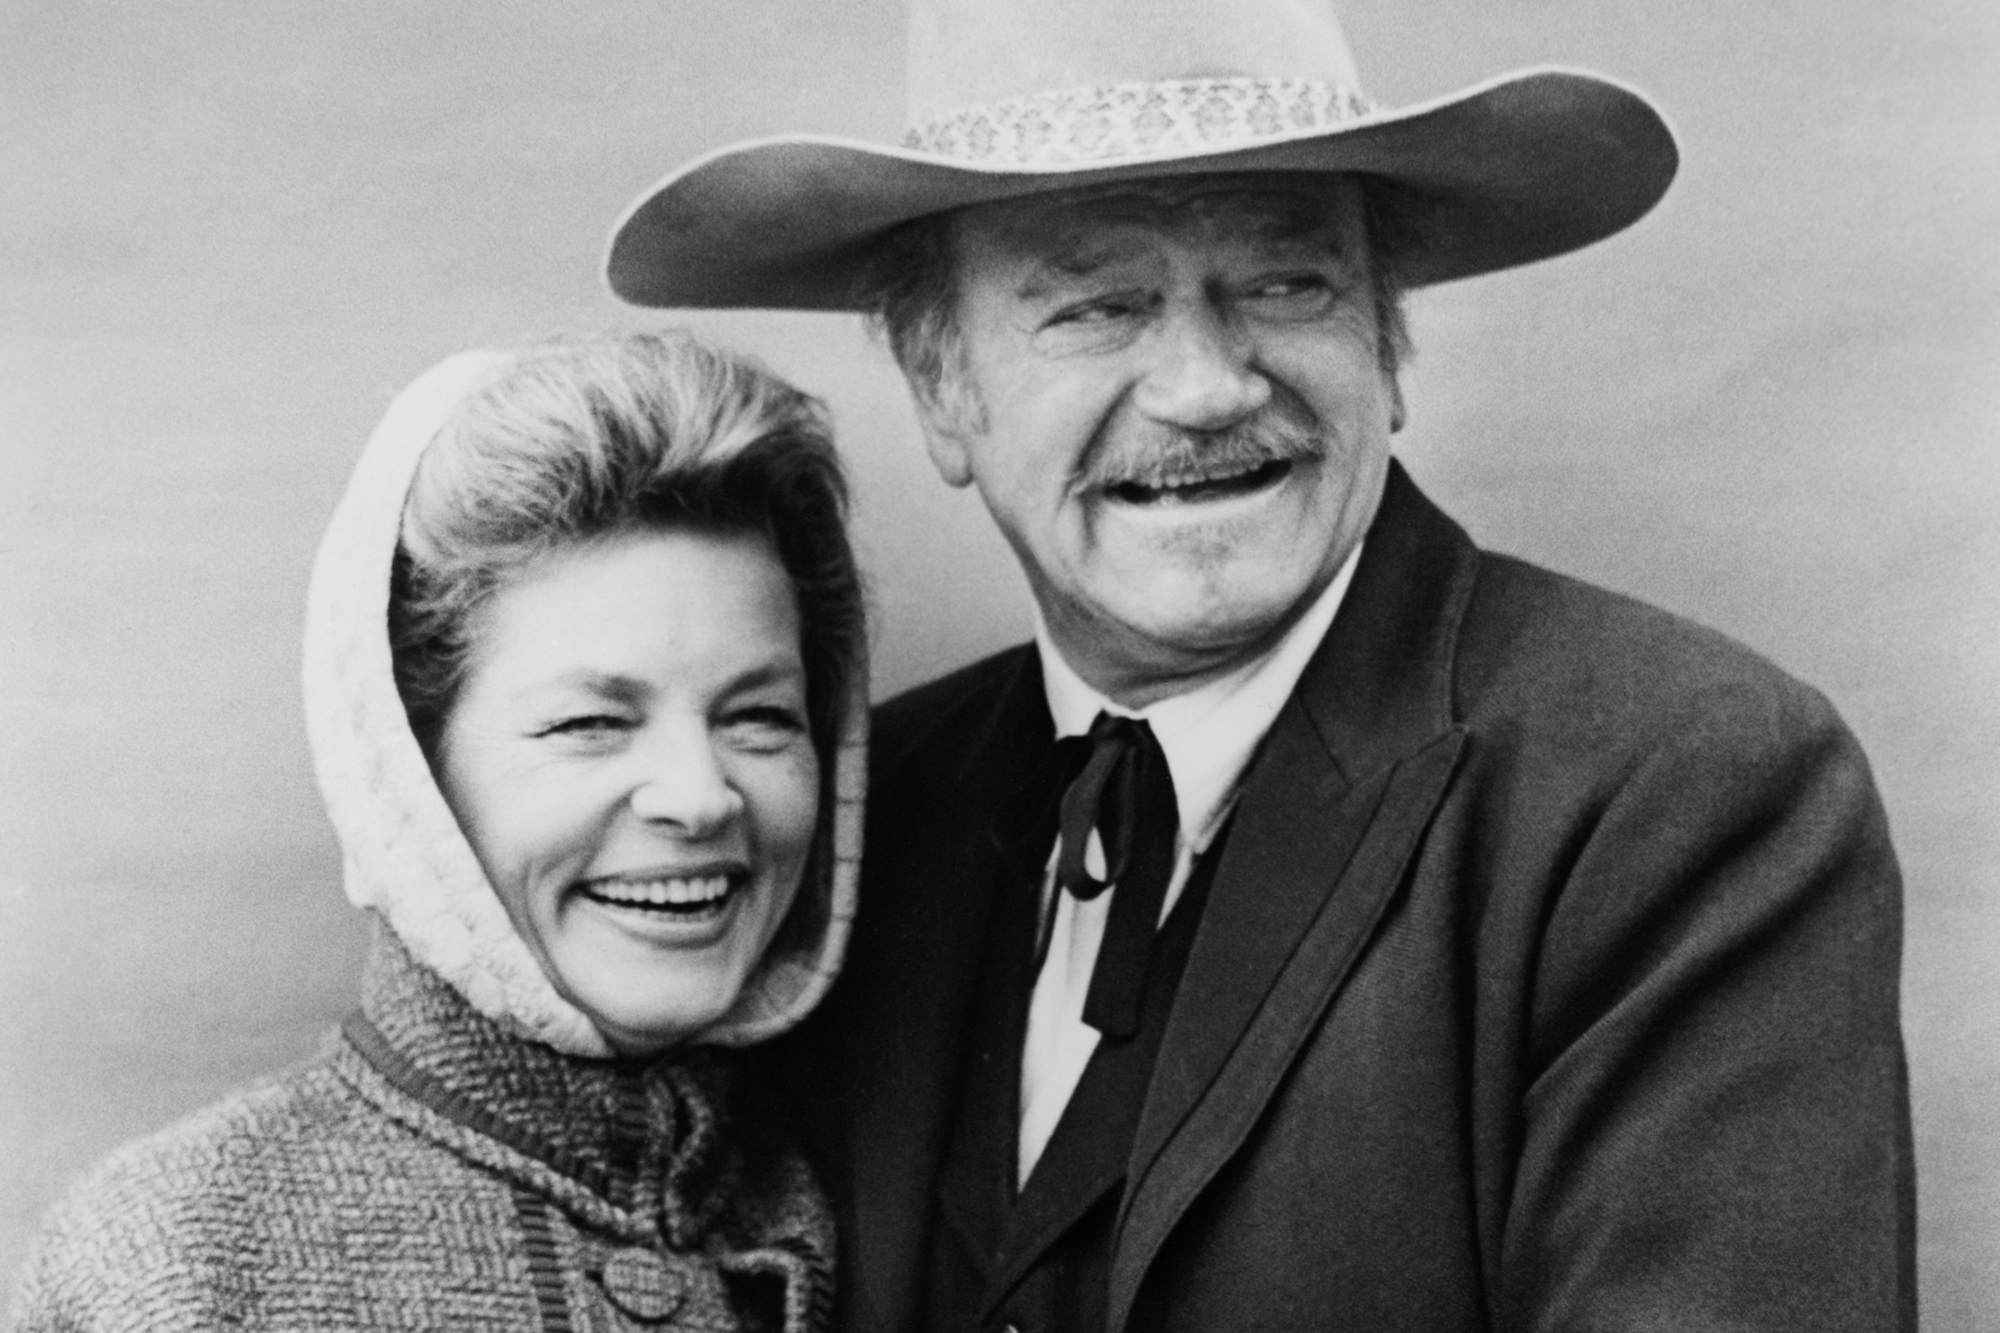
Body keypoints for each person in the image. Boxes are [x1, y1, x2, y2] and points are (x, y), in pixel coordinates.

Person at [603, 1, 1916, 1329]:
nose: (1205, 387)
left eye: (1287, 284)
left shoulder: (1672, 788)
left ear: (1387, 345)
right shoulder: (855, 816)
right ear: (943, 390)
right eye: (1098, 306)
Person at [9, 331, 867, 1332]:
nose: (700, 796)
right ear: (410, 778)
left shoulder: (885, 1192)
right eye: (590, 723)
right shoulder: (174, 1260)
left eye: (758, 716)